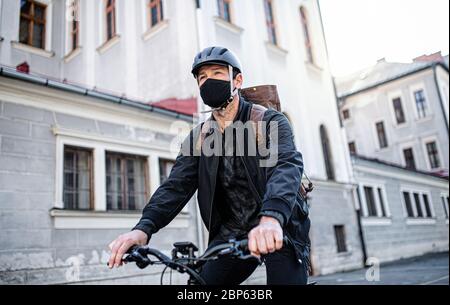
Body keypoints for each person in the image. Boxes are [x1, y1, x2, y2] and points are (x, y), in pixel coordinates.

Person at [108, 46, 311, 285]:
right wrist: (143, 228)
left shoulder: (268, 121)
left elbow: (286, 166)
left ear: (237, 79)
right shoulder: (199, 138)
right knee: (199, 286)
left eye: (217, 73)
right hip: (232, 232)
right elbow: (175, 186)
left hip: (279, 225)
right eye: (202, 77)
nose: (208, 81)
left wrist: (271, 218)